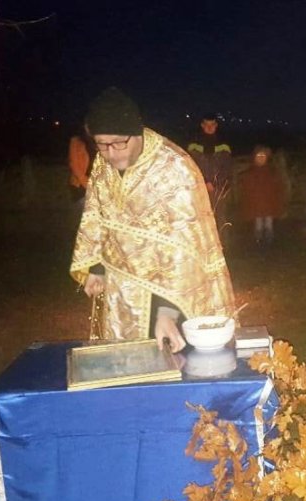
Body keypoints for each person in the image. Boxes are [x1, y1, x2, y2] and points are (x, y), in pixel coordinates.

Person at [70, 87, 235, 352]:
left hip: (174, 298)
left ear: (137, 132)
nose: (111, 153)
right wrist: (96, 268)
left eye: (119, 143)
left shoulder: (174, 167)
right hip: (121, 293)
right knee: (125, 361)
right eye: (101, 144)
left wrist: (166, 313)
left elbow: (185, 251)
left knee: (176, 364)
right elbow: (96, 217)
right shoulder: (102, 164)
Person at [187, 114, 233, 244]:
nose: (209, 127)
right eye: (206, 124)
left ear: (216, 125)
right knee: (201, 216)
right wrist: (205, 181)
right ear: (202, 125)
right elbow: (192, 165)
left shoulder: (223, 144)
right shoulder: (194, 144)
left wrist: (220, 184)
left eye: (212, 124)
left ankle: (222, 244)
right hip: (200, 188)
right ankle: (205, 245)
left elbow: (227, 166)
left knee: (220, 216)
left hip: (219, 188)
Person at [239, 145, 285, 249]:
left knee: (269, 224)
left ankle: (269, 242)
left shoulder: (272, 172)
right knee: (258, 224)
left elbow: (277, 188)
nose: (261, 158)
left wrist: (277, 201)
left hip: (269, 205)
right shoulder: (250, 173)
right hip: (257, 205)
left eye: (263, 156)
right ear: (254, 158)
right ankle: (258, 241)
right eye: (259, 156)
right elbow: (246, 189)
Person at [68, 131, 92, 203]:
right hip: (80, 185)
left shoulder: (100, 141)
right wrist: (87, 184)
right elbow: (74, 165)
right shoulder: (76, 141)